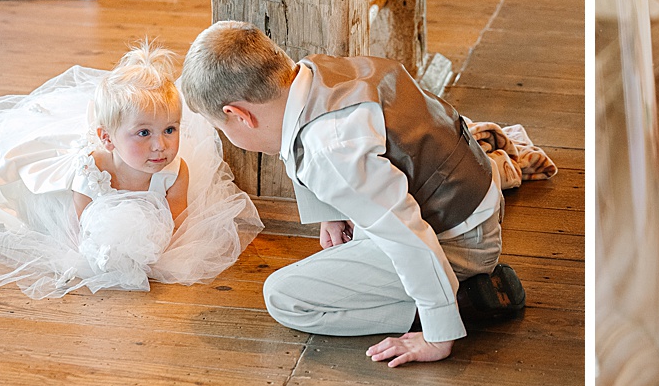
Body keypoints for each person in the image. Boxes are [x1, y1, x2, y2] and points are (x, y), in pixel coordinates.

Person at [180, 21, 529, 367]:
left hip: (456, 238)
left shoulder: (329, 150)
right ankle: (444, 291)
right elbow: (313, 141)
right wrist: (329, 208)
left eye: (220, 128)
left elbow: (407, 236)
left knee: (284, 297)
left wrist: (439, 334)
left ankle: (463, 302)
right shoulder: (315, 73)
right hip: (466, 200)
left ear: (238, 116)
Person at [0, 41, 262, 298]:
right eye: (143, 134)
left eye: (169, 129)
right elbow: (80, 215)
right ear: (109, 140)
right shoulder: (94, 166)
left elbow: (178, 214)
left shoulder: (174, 169)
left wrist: (162, 248)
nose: (160, 145)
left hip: (139, 211)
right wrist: (86, 249)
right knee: (31, 209)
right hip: (78, 202)